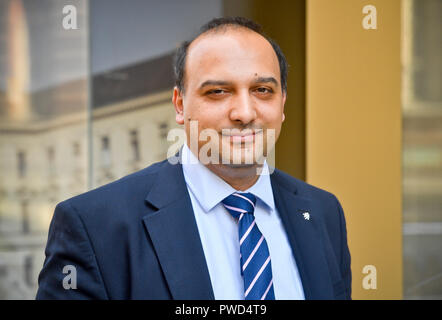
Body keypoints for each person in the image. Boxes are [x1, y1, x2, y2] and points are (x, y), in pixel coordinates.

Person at [36, 17, 351, 300]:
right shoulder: (94, 227)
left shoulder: (323, 212)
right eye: (217, 92)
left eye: (262, 90)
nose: (244, 113)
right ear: (179, 105)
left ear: (282, 103)